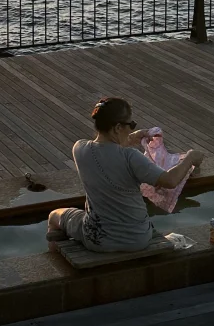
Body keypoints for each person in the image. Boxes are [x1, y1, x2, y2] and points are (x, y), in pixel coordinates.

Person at [47, 96, 204, 252]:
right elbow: (170, 180)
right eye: (131, 124)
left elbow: (106, 150)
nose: (132, 127)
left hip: (98, 240)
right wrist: (190, 157)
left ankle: (56, 261)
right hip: (138, 238)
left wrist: (132, 137)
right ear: (117, 128)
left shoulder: (79, 149)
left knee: (54, 216)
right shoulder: (131, 157)